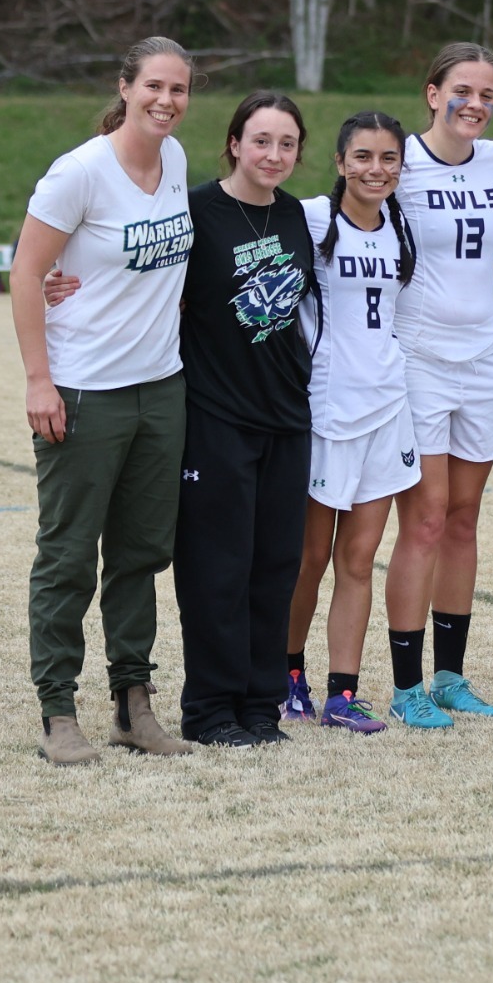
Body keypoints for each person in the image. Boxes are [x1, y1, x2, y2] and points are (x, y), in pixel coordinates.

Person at [12, 36, 196, 765]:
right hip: (86, 391)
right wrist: (38, 379)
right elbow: (28, 272)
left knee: (140, 555)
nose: (166, 100)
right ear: (125, 86)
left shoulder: (176, 161)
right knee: (67, 558)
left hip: (161, 388)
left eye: (179, 89)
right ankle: (59, 711)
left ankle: (133, 706)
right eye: (154, 85)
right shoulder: (80, 172)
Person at [172, 92, 318, 745]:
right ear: (234, 143)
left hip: (287, 417)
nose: (274, 154)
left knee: (275, 566)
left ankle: (261, 706)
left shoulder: (294, 216)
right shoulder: (197, 210)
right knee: (217, 569)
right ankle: (210, 711)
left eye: (287, 144)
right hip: (216, 416)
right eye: (261, 140)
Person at [385, 42, 493, 721]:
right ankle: (406, 687)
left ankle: (450, 678)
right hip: (420, 357)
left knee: (464, 520)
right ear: (433, 93)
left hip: (485, 356)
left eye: (488, 94)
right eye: (463, 90)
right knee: (426, 519)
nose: (476, 104)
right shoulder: (399, 160)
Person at [286, 111, 423, 733]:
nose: (376, 169)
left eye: (388, 158)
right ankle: (287, 677)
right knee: (309, 555)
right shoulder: (312, 219)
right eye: (363, 157)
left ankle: (342, 693)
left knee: (360, 558)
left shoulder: (401, 226)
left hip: (387, 407)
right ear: (341, 162)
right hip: (325, 411)